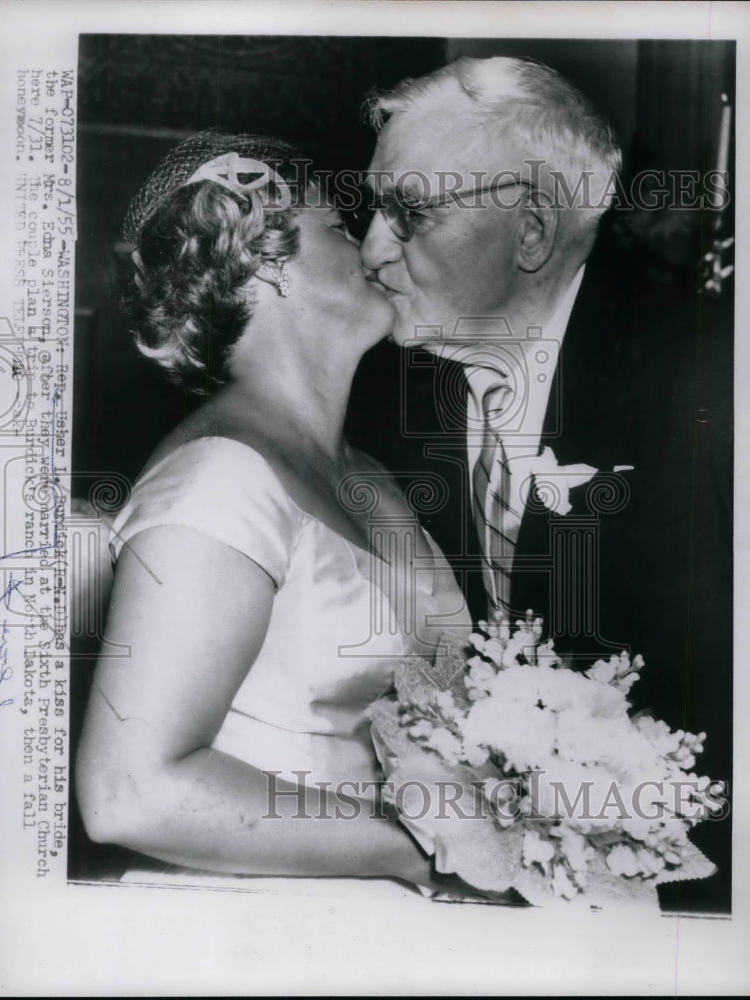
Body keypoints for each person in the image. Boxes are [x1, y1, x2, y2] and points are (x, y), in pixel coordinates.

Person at [352, 57, 732, 912]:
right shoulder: (380, 393)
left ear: (530, 234)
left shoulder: (710, 381)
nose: (372, 253)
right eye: (372, 210)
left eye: (409, 214)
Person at [75, 131, 472, 889]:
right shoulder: (219, 477)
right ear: (263, 260)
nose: (379, 249)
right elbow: (130, 793)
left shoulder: (373, 480)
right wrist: (427, 849)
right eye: (344, 228)